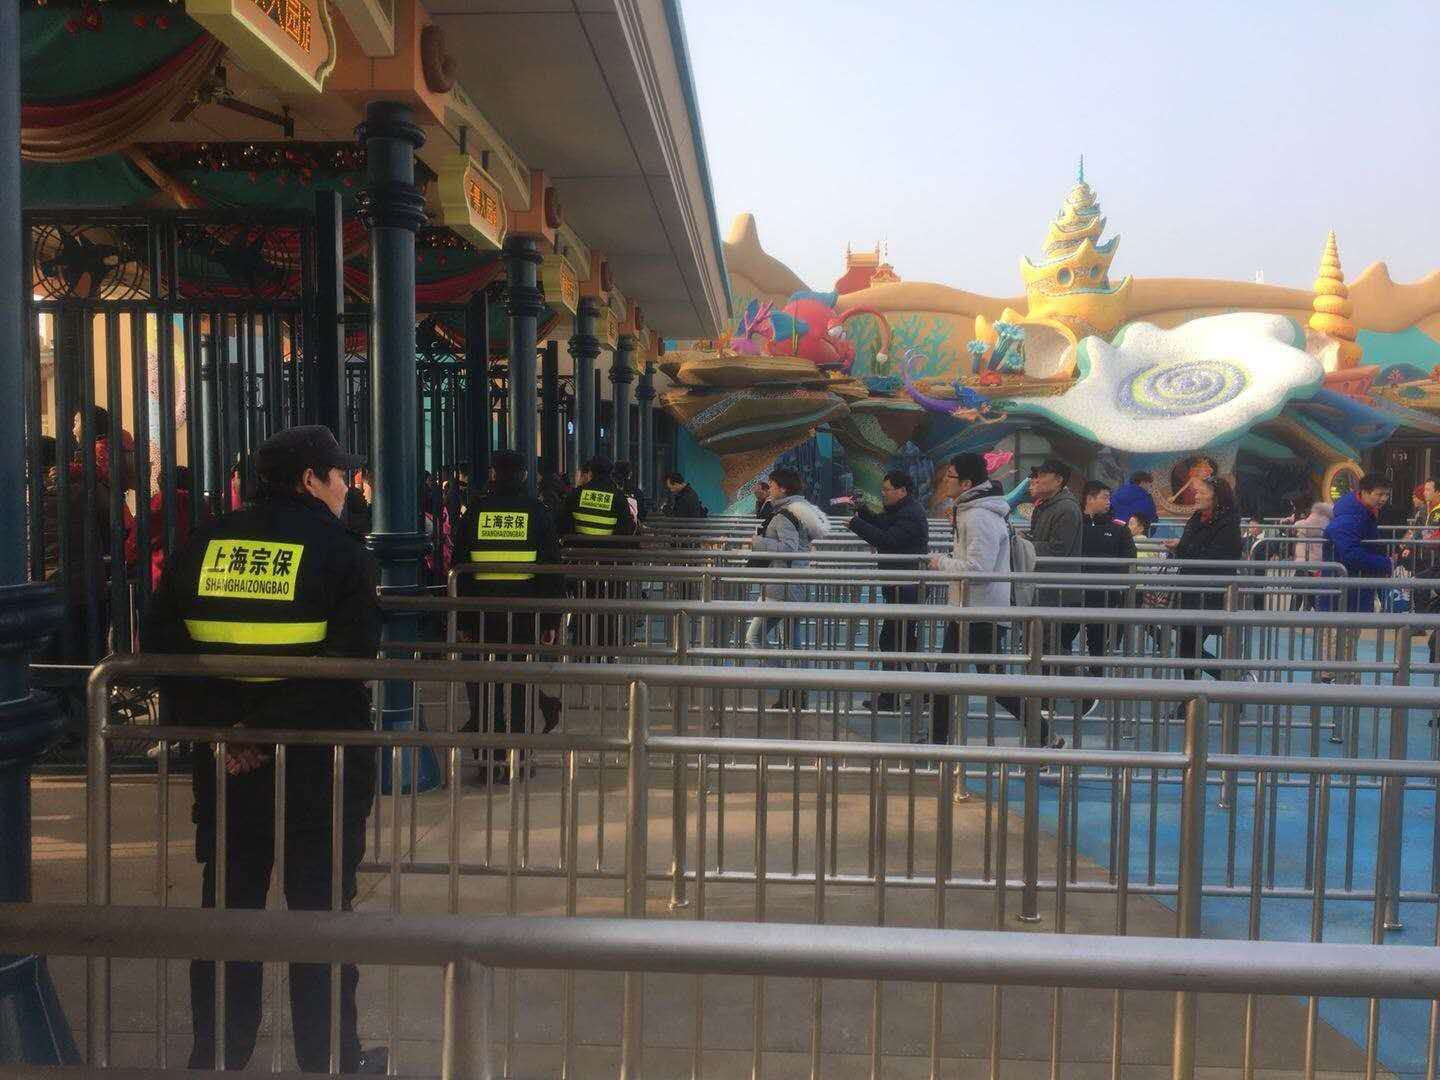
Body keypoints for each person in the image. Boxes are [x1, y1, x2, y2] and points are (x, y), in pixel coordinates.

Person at [142, 425, 385, 1074]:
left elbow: (161, 646)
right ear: (310, 479)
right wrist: (263, 729)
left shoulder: (204, 543)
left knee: (228, 913)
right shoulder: (341, 553)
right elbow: (350, 663)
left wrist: (226, 728)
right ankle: (328, 1058)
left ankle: (218, 1055)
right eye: (340, 475)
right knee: (320, 917)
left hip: (227, 764)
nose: (347, 487)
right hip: (318, 765)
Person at [454, 449, 564, 780]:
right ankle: (518, 760)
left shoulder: (475, 512)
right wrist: (550, 621)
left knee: (486, 688)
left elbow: (459, 568)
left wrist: (463, 621)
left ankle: (489, 762)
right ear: (524, 475)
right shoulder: (537, 512)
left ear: (492, 473)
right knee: (519, 687)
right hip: (525, 618)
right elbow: (551, 571)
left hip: (481, 616)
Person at [929, 453, 1025, 745]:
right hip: (968, 609)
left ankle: (1045, 735)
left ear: (967, 483)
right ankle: (938, 741)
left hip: (981, 613)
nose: (945, 481)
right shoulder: (971, 511)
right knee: (947, 679)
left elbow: (978, 570)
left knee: (994, 685)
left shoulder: (979, 516)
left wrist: (941, 563)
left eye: (950, 476)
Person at [847, 470, 930, 711]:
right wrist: (862, 512)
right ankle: (923, 690)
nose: (883, 494)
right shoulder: (903, 510)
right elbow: (883, 525)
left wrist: (856, 524)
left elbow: (888, 540)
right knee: (903, 640)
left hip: (906, 585)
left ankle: (894, 696)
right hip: (901, 584)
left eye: (887, 489)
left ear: (902, 491)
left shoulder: (910, 514)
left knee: (894, 639)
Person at [747, 468, 828, 708]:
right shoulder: (801, 511)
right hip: (795, 583)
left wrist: (758, 542)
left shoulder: (785, 515)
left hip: (780, 585)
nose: (768, 488)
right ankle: (795, 689)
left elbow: (789, 549)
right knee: (792, 642)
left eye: (771, 484)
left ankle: (789, 682)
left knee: (754, 637)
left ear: (782, 488)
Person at [1062, 480, 1137, 716]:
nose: (1108, 502)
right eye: (1104, 497)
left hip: (1104, 597)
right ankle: (1073, 684)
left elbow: (1129, 560)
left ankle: (1094, 689)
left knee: (1098, 646)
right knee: (1059, 641)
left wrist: (1115, 586)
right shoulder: (1073, 526)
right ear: (1089, 498)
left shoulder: (1119, 529)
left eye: (1109, 497)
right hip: (1072, 596)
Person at [1167, 475, 1245, 686]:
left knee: (1189, 647)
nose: (1196, 496)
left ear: (1216, 497)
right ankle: (1195, 691)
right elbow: (1190, 547)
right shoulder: (1197, 518)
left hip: (1210, 594)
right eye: (1197, 491)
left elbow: (1216, 559)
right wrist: (1180, 547)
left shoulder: (1228, 525)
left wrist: (1183, 547)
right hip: (1190, 590)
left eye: (1202, 492)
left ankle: (1222, 680)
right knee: (1186, 646)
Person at [1323, 473, 1393, 613]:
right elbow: (1350, 553)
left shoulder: (1363, 510)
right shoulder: (1349, 516)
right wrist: (1385, 563)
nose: (1384, 499)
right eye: (1379, 494)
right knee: (1344, 625)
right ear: (1364, 492)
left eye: (1386, 494)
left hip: (1354, 584)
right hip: (1346, 586)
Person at [559, 455, 637, 540]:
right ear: (610, 473)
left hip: (578, 545)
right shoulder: (618, 497)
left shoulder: (576, 494)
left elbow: (563, 523)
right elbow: (625, 529)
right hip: (609, 547)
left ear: (590, 473)